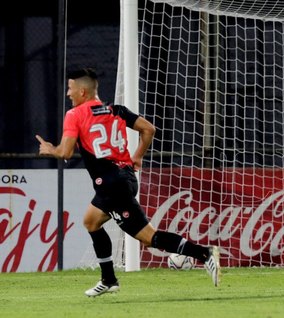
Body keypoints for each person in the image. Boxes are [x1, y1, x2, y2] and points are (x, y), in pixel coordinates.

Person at [36, 68, 221, 297]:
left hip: (111, 184)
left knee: (148, 237)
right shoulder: (117, 110)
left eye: (70, 89)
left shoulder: (75, 114)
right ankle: (108, 279)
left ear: (82, 91)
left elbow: (65, 152)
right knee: (91, 221)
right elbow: (149, 129)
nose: (68, 93)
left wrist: (49, 149)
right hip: (125, 178)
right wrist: (138, 156)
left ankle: (205, 254)